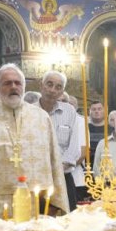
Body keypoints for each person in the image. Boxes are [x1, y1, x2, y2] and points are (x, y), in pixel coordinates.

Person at [0, 64, 69, 217]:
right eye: (7, 83)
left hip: (36, 197)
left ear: (23, 87)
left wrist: (53, 203)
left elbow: (53, 162)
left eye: (17, 83)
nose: (13, 87)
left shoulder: (41, 118)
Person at [37, 70, 83, 205]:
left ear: (62, 91)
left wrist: (57, 170)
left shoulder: (69, 111)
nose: (53, 90)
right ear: (41, 85)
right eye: (49, 84)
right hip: (37, 178)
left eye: (58, 87)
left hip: (63, 176)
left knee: (68, 216)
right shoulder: (29, 111)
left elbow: (74, 147)